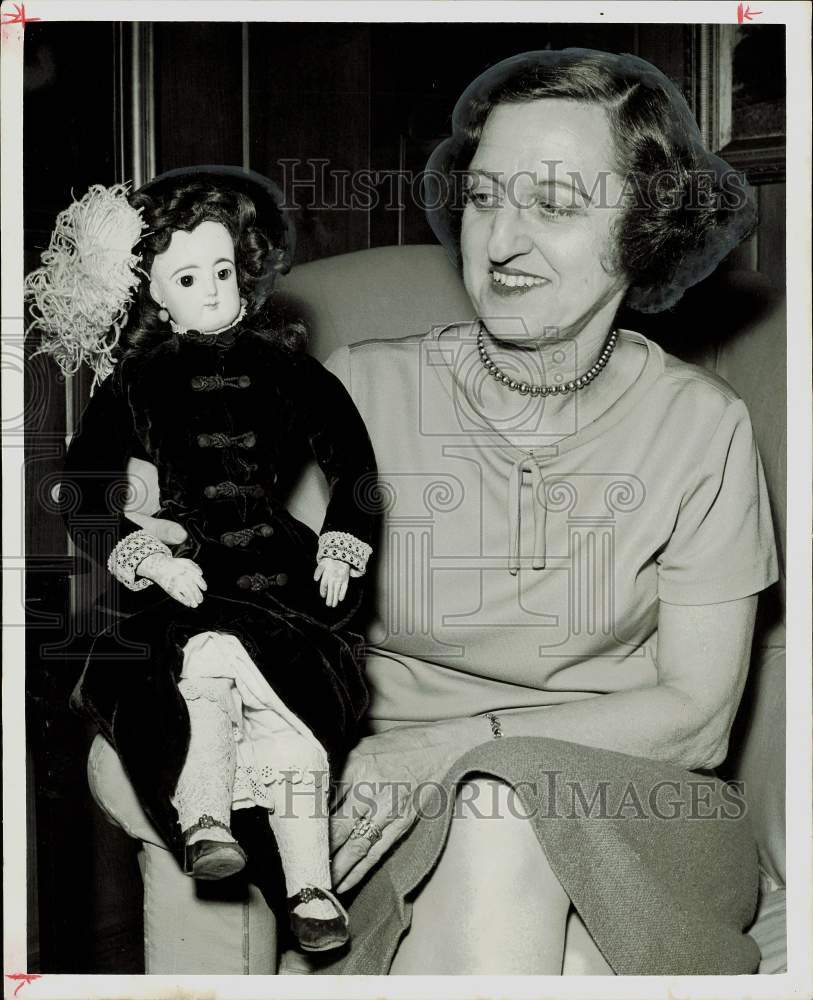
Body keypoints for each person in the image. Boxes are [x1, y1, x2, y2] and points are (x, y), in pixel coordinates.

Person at [287, 49, 778, 975]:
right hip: (390, 810)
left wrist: (460, 748)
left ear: (642, 230)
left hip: (637, 810)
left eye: (552, 206)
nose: (500, 241)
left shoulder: (702, 427)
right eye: (483, 198)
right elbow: (279, 635)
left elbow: (698, 718)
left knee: (496, 805)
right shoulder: (355, 396)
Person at [25, 167, 378, 953]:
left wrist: (344, 539)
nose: (213, 292)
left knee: (290, 711)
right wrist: (143, 553)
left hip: (286, 575)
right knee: (203, 666)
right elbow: (79, 490)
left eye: (223, 271)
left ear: (244, 271)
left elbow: (352, 463)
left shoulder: (290, 369)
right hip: (184, 581)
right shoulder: (135, 383)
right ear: (156, 292)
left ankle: (309, 887)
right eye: (188, 277)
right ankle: (207, 817)